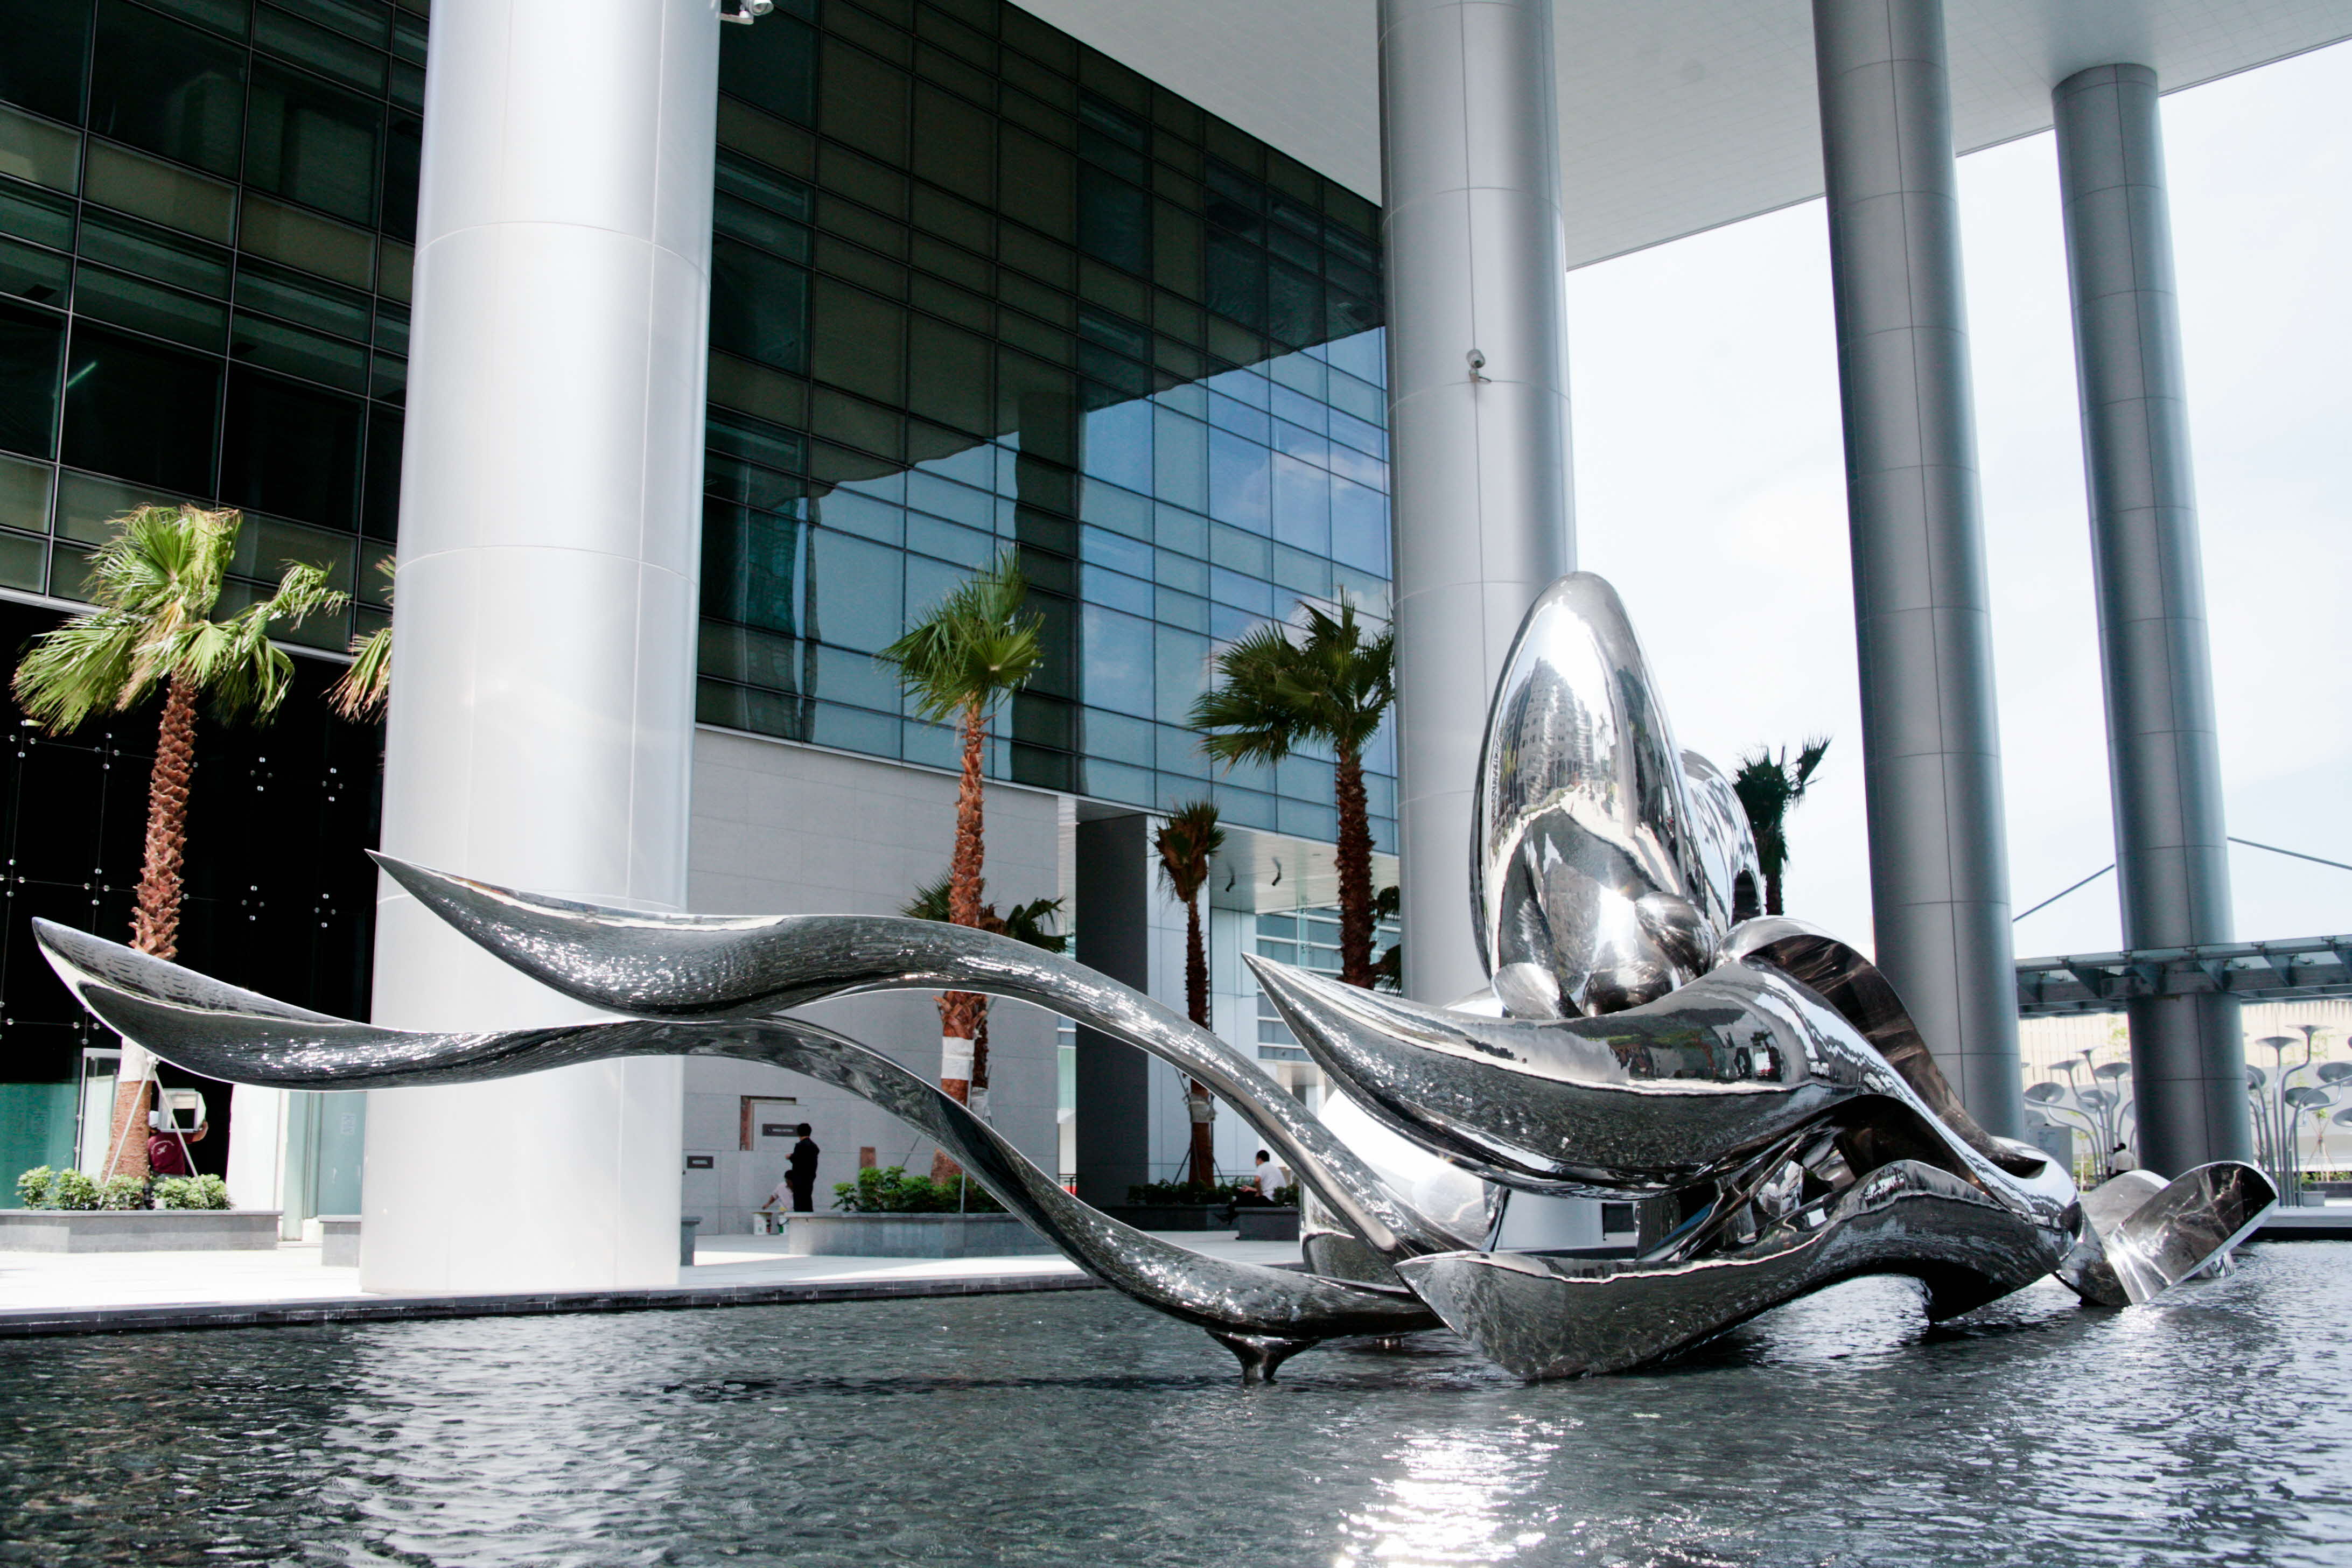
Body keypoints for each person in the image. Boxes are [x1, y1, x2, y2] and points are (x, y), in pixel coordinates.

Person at [785, 1123, 820, 1212]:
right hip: (810, 1176)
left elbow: (797, 1159)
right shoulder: (814, 1146)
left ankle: (800, 1219)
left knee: (799, 1200)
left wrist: (790, 1156)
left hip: (800, 1177)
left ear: (798, 1133)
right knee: (807, 1198)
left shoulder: (800, 1146)